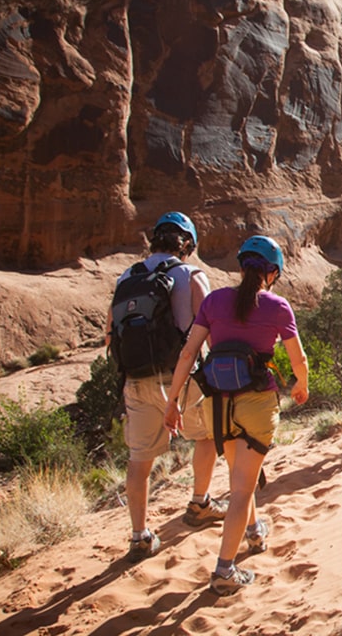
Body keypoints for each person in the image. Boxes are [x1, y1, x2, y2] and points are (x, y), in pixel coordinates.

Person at [165, 235, 309, 596]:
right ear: (271, 272)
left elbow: (188, 353)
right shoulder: (277, 307)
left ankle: (254, 531)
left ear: (242, 266)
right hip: (257, 404)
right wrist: (300, 385)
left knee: (240, 475)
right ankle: (225, 570)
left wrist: (173, 402)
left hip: (219, 404)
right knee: (242, 485)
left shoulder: (215, 301)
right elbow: (298, 358)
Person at [111, 212, 227, 563]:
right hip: (183, 376)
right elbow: (212, 327)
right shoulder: (190, 274)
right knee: (206, 436)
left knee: (139, 460)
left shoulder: (126, 277)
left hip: (135, 378)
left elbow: (110, 333)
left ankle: (140, 536)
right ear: (187, 244)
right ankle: (199, 503)